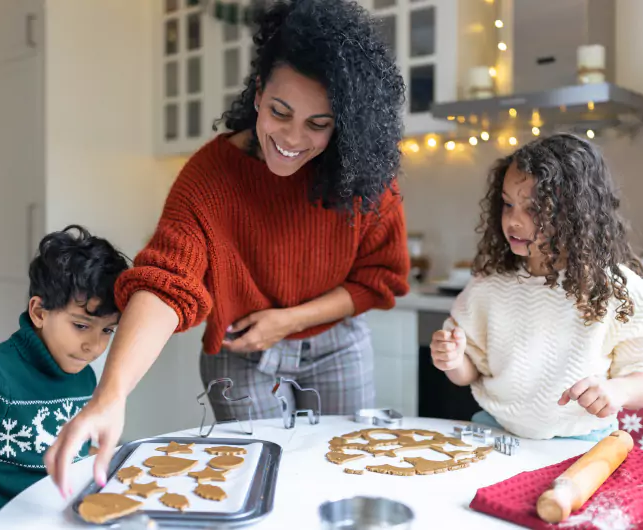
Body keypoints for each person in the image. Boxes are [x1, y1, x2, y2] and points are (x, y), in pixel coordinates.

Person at [44, 0, 409, 495]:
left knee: (344, 477)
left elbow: (380, 279)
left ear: (341, 123)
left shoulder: (366, 182)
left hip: (337, 345)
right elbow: (166, 284)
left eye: (317, 124)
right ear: (258, 93)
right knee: (259, 482)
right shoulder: (210, 178)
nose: (292, 138)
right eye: (280, 111)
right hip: (241, 356)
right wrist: (111, 394)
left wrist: (289, 320)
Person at [430, 133, 643, 441]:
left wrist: (617, 390)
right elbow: (469, 373)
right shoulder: (489, 285)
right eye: (507, 204)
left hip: (583, 440)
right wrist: (452, 360)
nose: (513, 221)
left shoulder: (613, 288)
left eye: (533, 209)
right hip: (497, 431)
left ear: (576, 213)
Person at [0, 225, 129, 529]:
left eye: (107, 331)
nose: (95, 345)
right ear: (39, 312)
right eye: (82, 326)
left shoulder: (84, 379)